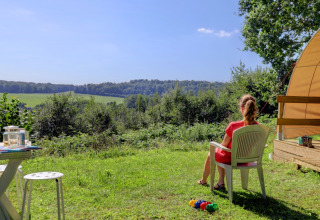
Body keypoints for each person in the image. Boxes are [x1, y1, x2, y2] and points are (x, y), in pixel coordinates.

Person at [197, 94, 259, 190]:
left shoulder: (233, 126)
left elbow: (224, 145)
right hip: (248, 158)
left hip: (232, 159)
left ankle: (203, 180)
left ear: (242, 108)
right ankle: (220, 182)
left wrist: (218, 146)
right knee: (220, 153)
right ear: (254, 108)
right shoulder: (258, 127)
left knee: (213, 153)